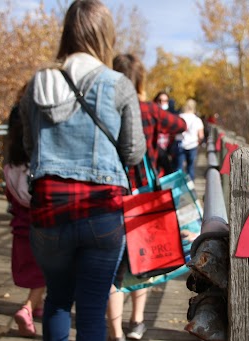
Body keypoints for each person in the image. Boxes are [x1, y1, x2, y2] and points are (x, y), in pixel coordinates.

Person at [19, 1, 146, 340]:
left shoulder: (38, 83)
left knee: (59, 300)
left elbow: (30, 148)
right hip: (101, 211)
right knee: (91, 308)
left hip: (49, 208)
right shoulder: (118, 84)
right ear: (105, 35)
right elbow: (133, 152)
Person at [108, 54, 187, 341]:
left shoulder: (107, 107)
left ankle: (114, 333)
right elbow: (181, 125)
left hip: (112, 195)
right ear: (140, 79)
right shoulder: (149, 109)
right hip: (143, 194)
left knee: (115, 269)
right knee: (143, 260)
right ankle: (137, 323)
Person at [3, 89, 45, 337]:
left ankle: (36, 305)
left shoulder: (11, 167)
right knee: (47, 270)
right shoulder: (38, 164)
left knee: (33, 270)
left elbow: (11, 197)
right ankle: (28, 308)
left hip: (20, 227)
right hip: (40, 223)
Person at [174, 99, 204, 181]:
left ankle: (177, 189)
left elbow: (173, 131)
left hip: (180, 144)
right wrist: (198, 142)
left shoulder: (179, 117)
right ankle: (191, 186)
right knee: (190, 167)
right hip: (192, 145)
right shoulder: (197, 120)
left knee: (178, 168)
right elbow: (201, 136)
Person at [153, 91, 177, 175]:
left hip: (167, 150)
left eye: (165, 101)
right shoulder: (151, 115)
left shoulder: (169, 116)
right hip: (154, 151)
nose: (162, 103)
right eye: (160, 101)